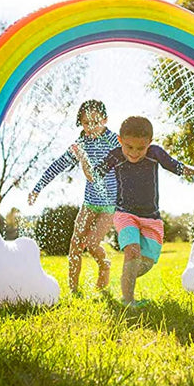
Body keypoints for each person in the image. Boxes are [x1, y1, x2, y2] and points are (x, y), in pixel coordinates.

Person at [72, 116, 194, 306]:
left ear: (150, 142)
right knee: (132, 252)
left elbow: (175, 166)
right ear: (121, 140)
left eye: (140, 148)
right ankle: (128, 301)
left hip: (151, 218)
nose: (134, 153)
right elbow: (93, 175)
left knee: (145, 263)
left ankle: (124, 278)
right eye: (129, 147)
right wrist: (83, 158)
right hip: (125, 214)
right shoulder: (116, 155)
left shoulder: (154, 153)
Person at [26, 100, 119, 294]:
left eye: (96, 121)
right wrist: (37, 188)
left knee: (93, 244)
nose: (91, 126)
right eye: (86, 122)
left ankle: (105, 264)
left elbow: (129, 153)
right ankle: (73, 291)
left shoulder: (112, 140)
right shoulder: (81, 145)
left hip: (110, 205)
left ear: (105, 120)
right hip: (89, 203)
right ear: (81, 124)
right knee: (76, 243)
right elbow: (57, 165)